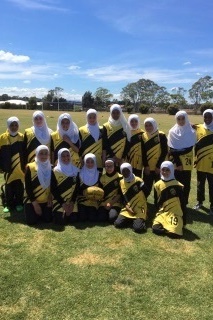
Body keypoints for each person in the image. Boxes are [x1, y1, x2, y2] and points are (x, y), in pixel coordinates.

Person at [168, 110, 196, 205]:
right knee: (175, 182)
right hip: (176, 162)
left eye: (183, 118)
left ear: (186, 118)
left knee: (186, 184)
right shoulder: (172, 131)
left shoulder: (191, 131)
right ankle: (175, 203)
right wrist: (178, 163)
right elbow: (171, 149)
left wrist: (176, 151)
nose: (181, 121)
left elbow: (189, 148)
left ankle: (184, 203)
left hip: (187, 163)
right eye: (178, 119)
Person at [152, 161, 185, 237]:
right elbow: (156, 201)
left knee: (174, 234)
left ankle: (172, 227)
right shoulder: (157, 184)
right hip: (163, 213)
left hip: (175, 214)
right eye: (163, 170)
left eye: (167, 170)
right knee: (155, 229)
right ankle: (167, 227)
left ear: (172, 171)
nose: (165, 172)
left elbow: (183, 203)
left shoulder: (178, 185)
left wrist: (184, 220)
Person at [114, 162, 148, 233]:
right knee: (117, 224)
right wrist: (126, 206)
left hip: (139, 207)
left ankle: (141, 219)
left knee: (138, 229)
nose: (125, 172)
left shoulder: (138, 180)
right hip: (128, 207)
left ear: (130, 170)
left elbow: (146, 192)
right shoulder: (121, 182)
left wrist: (141, 204)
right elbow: (122, 196)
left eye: (127, 170)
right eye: (123, 171)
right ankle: (133, 220)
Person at [0, 117, 25, 213]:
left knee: (19, 185)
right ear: (8, 125)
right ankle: (8, 204)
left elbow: (25, 152)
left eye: (16, 125)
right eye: (12, 125)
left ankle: (19, 203)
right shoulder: (3, 137)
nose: (14, 127)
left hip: (19, 167)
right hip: (7, 167)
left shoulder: (22, 137)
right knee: (9, 186)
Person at [24, 145, 53, 225]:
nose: (44, 156)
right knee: (32, 221)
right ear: (36, 154)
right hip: (32, 200)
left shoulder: (51, 167)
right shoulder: (30, 167)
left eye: (46, 153)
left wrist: (50, 196)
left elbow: (53, 186)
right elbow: (28, 187)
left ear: (48, 155)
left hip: (45, 200)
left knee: (48, 219)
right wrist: (35, 204)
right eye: (41, 153)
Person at [51, 148, 79, 225]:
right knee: (60, 221)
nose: (66, 158)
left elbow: (77, 189)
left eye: (67, 155)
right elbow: (53, 189)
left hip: (71, 201)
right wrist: (63, 204)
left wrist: (72, 202)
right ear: (59, 157)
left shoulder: (76, 170)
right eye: (63, 156)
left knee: (74, 219)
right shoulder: (55, 171)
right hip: (59, 201)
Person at [193, 109, 213, 214]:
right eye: (206, 117)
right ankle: (200, 202)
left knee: (212, 185)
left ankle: (212, 206)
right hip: (200, 162)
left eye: (210, 117)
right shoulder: (199, 127)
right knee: (200, 184)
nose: (207, 119)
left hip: (212, 164)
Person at [142, 117, 168, 199]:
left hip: (158, 168)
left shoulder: (161, 135)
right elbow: (143, 152)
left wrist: (158, 166)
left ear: (154, 125)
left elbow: (164, 151)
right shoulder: (143, 136)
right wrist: (146, 166)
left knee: (159, 187)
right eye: (146, 125)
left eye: (150, 125)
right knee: (146, 187)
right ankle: (143, 202)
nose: (148, 127)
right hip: (148, 168)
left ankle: (158, 204)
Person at [102, 104, 131, 171]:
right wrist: (114, 157)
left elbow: (128, 142)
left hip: (122, 159)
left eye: (118, 112)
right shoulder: (106, 126)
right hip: (110, 158)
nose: (115, 115)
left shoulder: (125, 125)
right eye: (113, 113)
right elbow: (105, 144)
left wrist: (122, 158)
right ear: (110, 113)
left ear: (120, 113)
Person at [77, 153, 103, 222]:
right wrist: (84, 193)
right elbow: (77, 189)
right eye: (87, 162)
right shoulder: (80, 173)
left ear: (95, 162)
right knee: (82, 218)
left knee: (92, 218)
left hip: (93, 201)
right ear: (85, 162)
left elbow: (101, 189)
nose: (90, 164)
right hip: (82, 200)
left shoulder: (99, 174)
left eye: (92, 162)